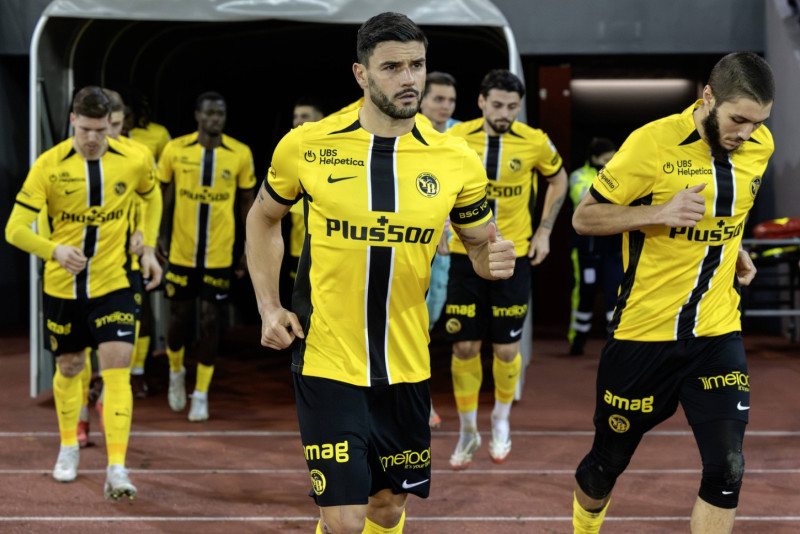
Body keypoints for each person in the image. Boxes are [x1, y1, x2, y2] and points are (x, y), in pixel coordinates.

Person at [245, 12, 516, 534]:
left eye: (417, 65)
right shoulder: (307, 144)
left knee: (387, 507)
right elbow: (263, 217)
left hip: (407, 363)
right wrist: (268, 305)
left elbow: (479, 245)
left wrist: (491, 261)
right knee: (345, 519)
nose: (409, 78)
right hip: (327, 357)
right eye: (392, 67)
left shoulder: (456, 158)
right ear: (361, 74)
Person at [570, 52, 774, 534]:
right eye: (738, 119)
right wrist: (657, 212)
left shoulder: (759, 146)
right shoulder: (651, 143)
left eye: (759, 122)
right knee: (604, 466)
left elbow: (729, 210)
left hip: (717, 333)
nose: (747, 133)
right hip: (643, 335)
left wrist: (734, 248)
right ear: (708, 97)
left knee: (727, 468)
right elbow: (585, 218)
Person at [4, 86, 162, 500]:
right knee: (71, 366)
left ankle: (117, 468)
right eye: (85, 129)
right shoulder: (48, 165)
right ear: (72, 120)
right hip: (63, 285)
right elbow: (14, 230)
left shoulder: (135, 159)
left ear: (112, 124)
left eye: (101, 129)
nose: (93, 138)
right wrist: (53, 250)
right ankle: (68, 447)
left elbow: (152, 196)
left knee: (117, 366)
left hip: (115, 281)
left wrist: (147, 243)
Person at [443, 69, 568, 469]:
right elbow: (434, 181)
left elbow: (559, 179)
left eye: (512, 107)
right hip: (464, 256)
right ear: (481, 101)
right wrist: (441, 226)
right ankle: (467, 431)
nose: (504, 113)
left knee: (506, 349)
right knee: (464, 346)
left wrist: (544, 230)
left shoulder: (534, 141)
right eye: (497, 105)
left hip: (512, 258)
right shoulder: (455, 137)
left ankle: (500, 420)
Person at [158, 91, 256, 422]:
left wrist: (249, 247)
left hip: (219, 253)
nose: (216, 119)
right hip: (182, 251)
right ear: (197, 116)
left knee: (211, 320)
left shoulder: (239, 153)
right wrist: (157, 235)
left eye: (221, 114)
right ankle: (175, 372)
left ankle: (201, 393)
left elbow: (247, 201)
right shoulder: (175, 149)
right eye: (210, 113)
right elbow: (164, 195)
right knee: (180, 317)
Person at [418, 71, 460, 429]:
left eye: (450, 100)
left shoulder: (462, 135)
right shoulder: (403, 132)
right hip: (408, 244)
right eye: (438, 99)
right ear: (421, 100)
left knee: (429, 325)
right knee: (408, 324)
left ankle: (416, 395)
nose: (445, 106)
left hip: (450, 252)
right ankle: (419, 400)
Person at [567, 137, 621, 356]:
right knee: (584, 295)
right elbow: (584, 200)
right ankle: (577, 341)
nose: (610, 163)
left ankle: (617, 343)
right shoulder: (578, 176)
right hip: (586, 250)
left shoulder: (620, 174)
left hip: (613, 248)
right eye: (606, 160)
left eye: (613, 159)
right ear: (594, 158)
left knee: (614, 295)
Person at [288, 97, 325, 280]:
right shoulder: (288, 155)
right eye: (295, 117)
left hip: (326, 249)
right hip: (297, 249)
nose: (298, 121)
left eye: (304, 116)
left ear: (320, 119)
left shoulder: (334, 154)